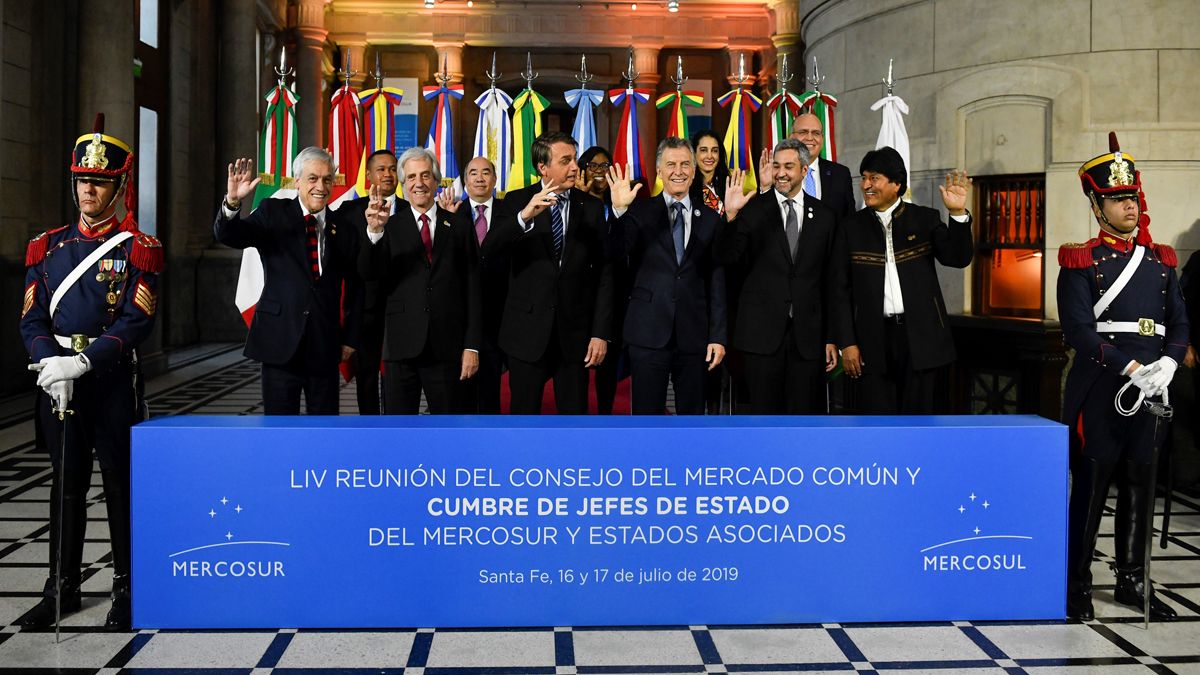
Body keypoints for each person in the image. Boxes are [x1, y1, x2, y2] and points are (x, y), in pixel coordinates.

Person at [19, 113, 163, 630]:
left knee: (119, 485)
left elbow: (136, 320)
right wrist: (48, 362)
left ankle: (126, 588)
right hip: (57, 382)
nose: (88, 190)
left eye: (99, 182)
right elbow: (31, 315)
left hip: (107, 383)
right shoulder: (47, 247)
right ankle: (62, 587)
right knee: (66, 484)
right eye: (83, 180)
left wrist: (82, 360)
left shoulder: (138, 250)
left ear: (119, 186)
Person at [1059, 133, 1185, 621]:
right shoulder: (1080, 259)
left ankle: (1133, 581)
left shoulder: (1162, 261)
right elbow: (1078, 332)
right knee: (1092, 484)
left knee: (1140, 485)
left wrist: (1169, 362)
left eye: (1132, 197)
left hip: (1153, 386)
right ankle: (1077, 584)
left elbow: (1180, 322)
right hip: (1104, 385)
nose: (1129, 206)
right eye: (1117, 199)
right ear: (1097, 204)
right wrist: (1130, 367)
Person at [216, 148, 361, 415]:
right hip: (279, 342)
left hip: (324, 345)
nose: (321, 187)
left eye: (327, 179)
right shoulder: (274, 212)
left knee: (324, 430)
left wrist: (350, 337)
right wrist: (233, 204)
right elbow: (233, 236)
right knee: (279, 431)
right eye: (313, 178)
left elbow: (355, 287)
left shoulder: (344, 228)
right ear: (297, 181)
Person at [481, 131, 613, 414]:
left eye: (574, 159)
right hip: (525, 336)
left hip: (575, 338)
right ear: (543, 167)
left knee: (574, 426)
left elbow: (605, 274)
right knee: (523, 423)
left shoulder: (590, 207)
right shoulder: (516, 202)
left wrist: (600, 333)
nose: (575, 167)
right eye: (566, 160)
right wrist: (524, 217)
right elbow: (489, 250)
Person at [717, 138, 851, 414]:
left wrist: (831, 337)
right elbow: (728, 259)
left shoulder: (826, 216)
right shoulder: (752, 208)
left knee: (804, 420)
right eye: (776, 166)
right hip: (760, 337)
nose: (781, 173)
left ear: (804, 170)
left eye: (789, 166)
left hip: (809, 339)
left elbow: (833, 281)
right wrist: (730, 216)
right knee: (763, 420)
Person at [838, 148, 972, 414]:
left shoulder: (925, 219)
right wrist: (847, 343)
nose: (866, 185)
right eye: (863, 177)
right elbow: (839, 289)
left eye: (874, 178)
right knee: (877, 425)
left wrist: (957, 214)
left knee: (919, 422)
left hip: (921, 340)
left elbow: (957, 258)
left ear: (896, 184)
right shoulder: (850, 227)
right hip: (870, 341)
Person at [607, 137, 726, 414]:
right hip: (648, 334)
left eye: (686, 164)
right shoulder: (638, 211)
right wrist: (619, 211)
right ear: (659, 170)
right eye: (671, 164)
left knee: (692, 423)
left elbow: (716, 281)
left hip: (694, 336)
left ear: (694, 171)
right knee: (647, 422)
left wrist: (718, 336)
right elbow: (614, 254)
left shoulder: (710, 218)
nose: (679, 171)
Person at [360, 147, 481, 414]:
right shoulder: (387, 226)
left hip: (447, 348)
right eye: (412, 177)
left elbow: (473, 288)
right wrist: (374, 233)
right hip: (401, 347)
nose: (419, 183)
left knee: (450, 431)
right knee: (399, 434)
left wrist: (471, 346)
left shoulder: (459, 226)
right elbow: (370, 274)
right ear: (403, 185)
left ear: (436, 180)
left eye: (425, 175)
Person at [446, 155, 509, 413]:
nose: (480, 178)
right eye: (473, 173)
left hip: (501, 318)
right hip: (459, 320)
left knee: (491, 396)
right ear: (465, 180)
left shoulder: (511, 213)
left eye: (486, 172)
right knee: (460, 398)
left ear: (495, 179)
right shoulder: (451, 215)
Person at [338, 149, 398, 414]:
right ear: (369, 175)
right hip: (364, 310)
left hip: (403, 310)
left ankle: (401, 433)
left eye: (393, 169)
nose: (388, 174)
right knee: (367, 379)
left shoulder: (411, 210)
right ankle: (371, 432)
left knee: (399, 380)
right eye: (381, 169)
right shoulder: (349, 211)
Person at [691, 129, 741, 414]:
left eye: (714, 150)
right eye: (703, 150)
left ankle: (722, 412)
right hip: (698, 276)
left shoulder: (730, 185)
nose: (709, 156)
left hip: (729, 275)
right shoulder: (686, 186)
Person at [578, 145, 627, 414]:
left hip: (613, 295)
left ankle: (605, 414)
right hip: (581, 295)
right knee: (580, 365)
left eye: (605, 166)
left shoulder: (620, 202)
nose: (599, 171)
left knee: (608, 362)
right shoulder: (576, 202)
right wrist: (580, 202)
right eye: (593, 166)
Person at [757, 112, 856, 222]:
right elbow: (761, 220)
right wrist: (765, 189)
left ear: (822, 138)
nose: (810, 137)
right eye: (803, 132)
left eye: (816, 133)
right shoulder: (776, 173)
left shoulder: (840, 174)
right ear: (791, 137)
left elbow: (850, 220)